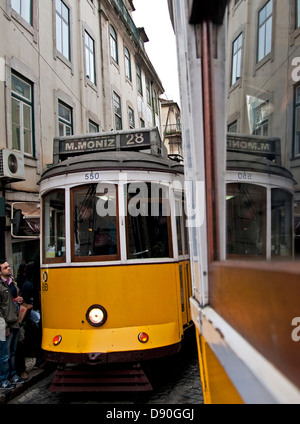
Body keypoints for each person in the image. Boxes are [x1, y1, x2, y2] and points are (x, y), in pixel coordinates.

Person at [0, 260, 26, 389]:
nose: (9, 268)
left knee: (13, 352)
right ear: (0, 271)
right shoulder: (0, 285)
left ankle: (12, 375)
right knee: (4, 354)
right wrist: (4, 326)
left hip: (15, 321)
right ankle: (3, 380)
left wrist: (18, 299)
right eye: (5, 267)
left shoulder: (12, 282)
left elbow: (10, 301)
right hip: (5, 323)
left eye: (9, 266)